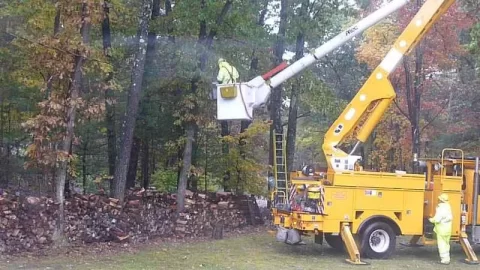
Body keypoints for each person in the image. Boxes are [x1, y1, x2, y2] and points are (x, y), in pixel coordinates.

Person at [429, 193, 453, 265]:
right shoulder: (448, 207)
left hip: (441, 230)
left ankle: (444, 260)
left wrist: (430, 220)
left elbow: (437, 219)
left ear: (440, 200)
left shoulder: (441, 208)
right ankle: (447, 258)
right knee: (446, 244)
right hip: (448, 230)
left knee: (442, 245)